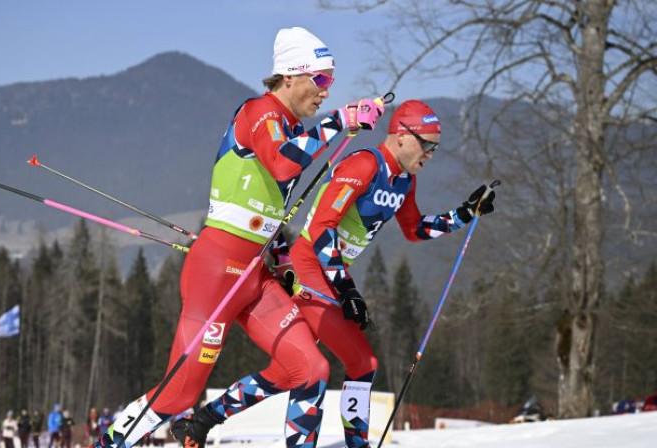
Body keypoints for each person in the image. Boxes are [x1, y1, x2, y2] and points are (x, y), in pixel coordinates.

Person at [93, 26, 383, 448]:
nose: (326, 92)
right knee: (179, 395)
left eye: (331, 83)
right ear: (290, 75)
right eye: (320, 80)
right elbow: (284, 164)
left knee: (311, 368)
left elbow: (272, 211)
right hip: (217, 273)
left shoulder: (290, 126)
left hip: (254, 276)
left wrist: (283, 259)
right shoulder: (260, 112)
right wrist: (341, 121)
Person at [180, 100, 497, 447]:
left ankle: (206, 418)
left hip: (331, 275)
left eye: (435, 146)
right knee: (333, 367)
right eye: (427, 144)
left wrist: (465, 214)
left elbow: (415, 229)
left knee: (323, 368)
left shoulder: (404, 182)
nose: (431, 154)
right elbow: (321, 229)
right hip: (308, 268)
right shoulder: (363, 164)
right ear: (402, 136)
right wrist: (346, 288)